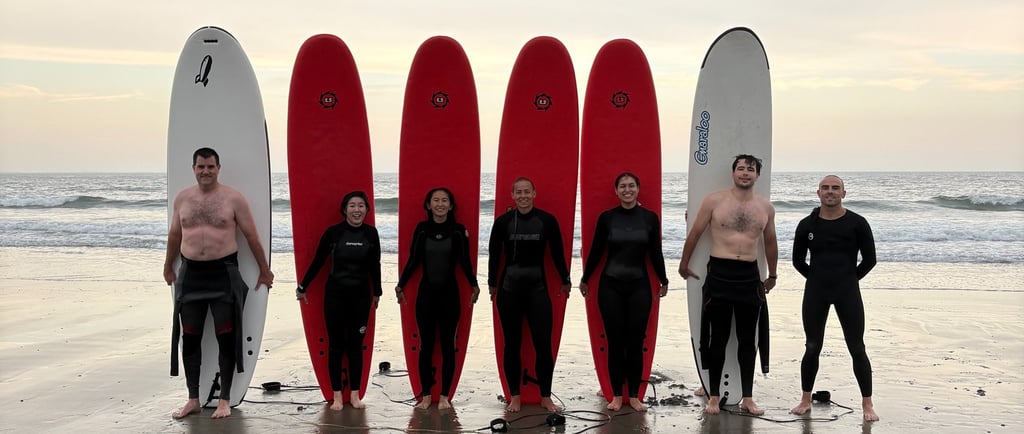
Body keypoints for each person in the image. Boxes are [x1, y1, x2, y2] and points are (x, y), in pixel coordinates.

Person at [164, 147, 274, 419]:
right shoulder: (182, 199)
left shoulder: (233, 199)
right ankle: (193, 399)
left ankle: (224, 399)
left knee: (226, 336)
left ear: (218, 168)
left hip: (223, 273)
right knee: (190, 338)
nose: (205, 171)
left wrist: (264, 269)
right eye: (201, 167)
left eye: (210, 167)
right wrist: (168, 266)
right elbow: (175, 236)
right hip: (191, 275)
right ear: (193, 168)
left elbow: (251, 236)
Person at [677, 154, 778, 416]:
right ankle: (713, 396)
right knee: (718, 338)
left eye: (751, 169)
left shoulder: (765, 207)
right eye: (741, 168)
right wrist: (683, 263)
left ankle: (747, 397)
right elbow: (696, 233)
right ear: (733, 173)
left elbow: (770, 242)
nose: (746, 173)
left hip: (748, 276)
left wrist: (773, 275)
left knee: (747, 340)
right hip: (720, 275)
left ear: (757, 175)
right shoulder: (714, 201)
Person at [789, 175, 879, 421]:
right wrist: (817, 279)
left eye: (835, 188)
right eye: (825, 188)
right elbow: (797, 261)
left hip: (847, 291)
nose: (830, 192)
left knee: (857, 347)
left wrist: (849, 280)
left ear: (844, 193)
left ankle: (867, 404)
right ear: (818, 193)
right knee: (812, 346)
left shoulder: (857, 223)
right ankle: (805, 399)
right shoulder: (807, 224)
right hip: (816, 291)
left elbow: (870, 260)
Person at [580, 172, 670, 412]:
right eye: (623, 186)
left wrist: (663, 279)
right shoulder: (607, 218)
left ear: (638, 189)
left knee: (636, 340)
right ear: (616, 190)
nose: (627, 190)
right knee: (615, 341)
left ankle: (634, 396)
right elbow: (596, 251)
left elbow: (655, 252)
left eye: (631, 186)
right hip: (610, 286)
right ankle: (617, 395)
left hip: (639, 286)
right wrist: (585, 278)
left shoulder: (650, 218)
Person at [488, 177, 571, 413]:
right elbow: (494, 255)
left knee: (543, 345)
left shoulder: (546, 221)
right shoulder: (503, 222)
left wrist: (565, 279)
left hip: (538, 289)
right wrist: (492, 284)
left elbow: (557, 253)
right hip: (509, 289)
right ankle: (514, 395)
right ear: (512, 196)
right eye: (518, 192)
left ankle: (545, 396)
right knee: (511, 345)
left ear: (534, 193)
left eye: (527, 191)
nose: (523, 196)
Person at [295, 191, 382, 411]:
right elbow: (318, 261)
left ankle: (354, 395)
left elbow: (375, 264)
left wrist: (377, 292)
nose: (357, 210)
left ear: (367, 210)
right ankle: (336, 396)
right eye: (352, 205)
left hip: (361, 297)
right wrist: (303, 286)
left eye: (361, 205)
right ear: (344, 210)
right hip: (335, 296)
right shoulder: (333, 233)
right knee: (336, 346)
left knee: (356, 346)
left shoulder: (371, 234)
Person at [396, 187, 481, 410]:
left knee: (447, 346)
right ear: (428, 205)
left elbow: (464, 262)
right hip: (426, 296)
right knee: (426, 345)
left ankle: (444, 396)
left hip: (450, 296)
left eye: (445, 201)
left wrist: (474, 285)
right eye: (436, 200)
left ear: (451, 206)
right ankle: (425, 396)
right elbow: (413, 260)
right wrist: (401, 284)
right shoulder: (422, 230)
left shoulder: (458, 231)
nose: (440, 204)